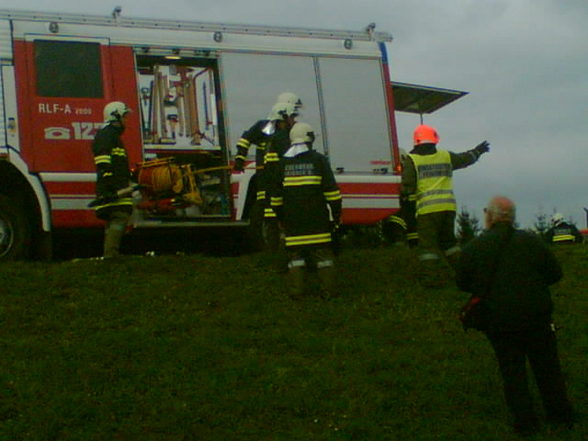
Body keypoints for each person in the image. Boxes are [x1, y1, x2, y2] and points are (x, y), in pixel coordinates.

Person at [456, 196, 574, 436]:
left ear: (489, 216)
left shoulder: (475, 247)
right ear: (513, 217)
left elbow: (462, 282)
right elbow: (555, 274)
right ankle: (561, 416)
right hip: (537, 316)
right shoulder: (532, 241)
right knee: (548, 368)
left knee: (512, 371)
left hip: (499, 320)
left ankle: (525, 422)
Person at [401, 124, 489, 286]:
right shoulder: (445, 156)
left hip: (427, 211)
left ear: (416, 141)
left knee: (428, 248)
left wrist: (407, 211)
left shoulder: (412, 160)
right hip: (448, 209)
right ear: (434, 139)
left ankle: (431, 279)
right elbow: (465, 159)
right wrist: (478, 151)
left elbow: (407, 188)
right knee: (449, 244)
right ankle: (466, 274)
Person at [268, 122, 342, 298]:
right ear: (309, 139)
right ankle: (329, 291)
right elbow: (332, 192)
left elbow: (276, 197)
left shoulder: (282, 164)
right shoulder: (319, 161)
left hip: (293, 222)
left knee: (296, 259)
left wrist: (281, 218)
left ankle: (296, 292)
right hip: (318, 220)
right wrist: (336, 215)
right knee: (324, 258)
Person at [91, 101, 133, 258]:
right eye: (125, 116)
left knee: (116, 218)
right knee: (119, 217)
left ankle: (111, 254)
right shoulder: (107, 135)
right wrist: (110, 185)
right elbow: (103, 160)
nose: (126, 120)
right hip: (113, 188)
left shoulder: (112, 135)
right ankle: (111, 255)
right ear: (116, 115)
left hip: (116, 186)